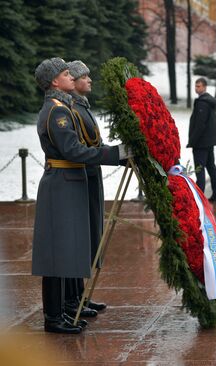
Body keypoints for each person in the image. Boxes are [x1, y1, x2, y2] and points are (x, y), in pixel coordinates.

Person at [32, 57, 130, 334]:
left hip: (70, 181)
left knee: (68, 248)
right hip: (62, 182)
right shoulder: (56, 112)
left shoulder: (63, 107)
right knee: (56, 253)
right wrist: (115, 155)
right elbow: (73, 151)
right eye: (66, 74)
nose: (72, 77)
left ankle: (64, 307)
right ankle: (54, 317)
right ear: (55, 81)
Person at [65, 60, 108, 317]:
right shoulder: (72, 108)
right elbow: (81, 146)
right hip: (83, 174)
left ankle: (79, 296)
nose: (89, 80)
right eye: (84, 77)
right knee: (81, 237)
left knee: (90, 234)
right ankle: (74, 299)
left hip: (91, 173)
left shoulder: (82, 106)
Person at [187, 77, 216, 202]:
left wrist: (192, 141)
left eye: (199, 86)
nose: (197, 88)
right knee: (211, 167)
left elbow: (200, 125)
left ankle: (199, 198)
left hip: (201, 143)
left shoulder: (202, 102)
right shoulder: (208, 101)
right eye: (196, 86)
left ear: (205, 87)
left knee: (200, 170)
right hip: (209, 142)